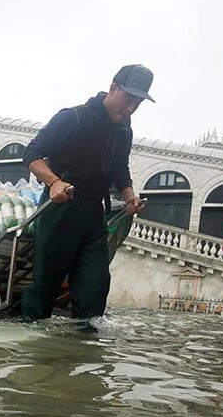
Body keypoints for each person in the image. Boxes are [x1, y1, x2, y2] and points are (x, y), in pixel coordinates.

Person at [19, 64, 152, 321]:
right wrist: (54, 182)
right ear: (113, 88)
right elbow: (32, 154)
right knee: (45, 286)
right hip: (59, 208)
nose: (130, 109)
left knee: (95, 287)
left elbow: (120, 170)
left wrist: (129, 198)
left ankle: (84, 352)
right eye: (128, 99)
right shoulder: (73, 117)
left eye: (137, 103)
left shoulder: (124, 130)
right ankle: (32, 350)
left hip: (94, 215)